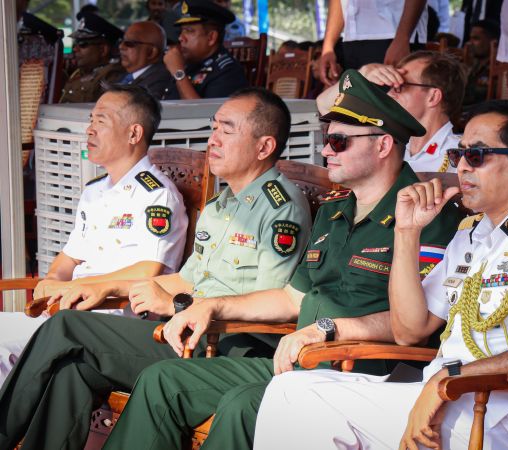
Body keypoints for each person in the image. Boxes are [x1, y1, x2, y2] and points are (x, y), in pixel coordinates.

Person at [101, 69, 462, 450]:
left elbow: (415, 325)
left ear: (384, 145)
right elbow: (293, 297)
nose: (325, 151)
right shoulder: (334, 210)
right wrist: (212, 305)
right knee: (163, 379)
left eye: (338, 141)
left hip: (361, 370)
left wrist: (327, 329)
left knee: (243, 406)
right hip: (299, 360)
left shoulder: (428, 216)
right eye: (327, 140)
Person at [254, 100, 508, 450]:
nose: (462, 167)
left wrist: (449, 378)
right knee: (292, 389)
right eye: (458, 155)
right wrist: (406, 232)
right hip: (449, 396)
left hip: (506, 411)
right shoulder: (473, 233)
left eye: (477, 156)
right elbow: (410, 330)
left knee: (296, 400)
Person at [0, 87, 311, 450]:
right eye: (213, 128)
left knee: (66, 327)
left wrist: (178, 306)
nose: (213, 140)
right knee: (74, 368)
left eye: (227, 130)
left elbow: (269, 303)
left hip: (227, 345)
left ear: (264, 147)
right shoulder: (222, 205)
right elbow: (187, 279)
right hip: (188, 334)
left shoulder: (281, 208)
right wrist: (109, 288)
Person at [0, 84, 188, 386]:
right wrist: (52, 280)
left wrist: (77, 287)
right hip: (70, 309)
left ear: (134, 134)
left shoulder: (156, 196)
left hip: (110, 319)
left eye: (101, 121)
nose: (89, 129)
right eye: (91, 120)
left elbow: (148, 271)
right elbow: (69, 257)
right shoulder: (94, 190)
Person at [318, 51, 467, 173]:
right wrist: (362, 75)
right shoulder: (387, 140)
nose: (389, 93)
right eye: (391, 85)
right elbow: (323, 104)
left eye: (400, 86)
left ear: (433, 97)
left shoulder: (461, 155)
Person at [319, 0, 428, 85]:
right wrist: (328, 47)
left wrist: (402, 38)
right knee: (357, 102)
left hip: (393, 34)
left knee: (393, 103)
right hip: (352, 38)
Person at [163, 0, 248, 100]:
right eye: (181, 31)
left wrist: (178, 72)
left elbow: (200, 110)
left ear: (211, 38)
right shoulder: (190, 64)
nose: (181, 38)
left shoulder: (228, 72)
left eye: (189, 31)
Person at [59, 12, 125, 103]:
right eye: (75, 44)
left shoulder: (111, 75)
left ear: (103, 50)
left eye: (82, 44)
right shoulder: (79, 73)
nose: (75, 49)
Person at [118, 21, 173, 99]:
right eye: (121, 41)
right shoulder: (120, 75)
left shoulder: (159, 80)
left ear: (151, 52)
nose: (121, 46)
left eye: (129, 43)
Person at [463, 19, 500, 107]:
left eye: (476, 38)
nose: (470, 43)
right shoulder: (470, 64)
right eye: (470, 38)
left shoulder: (500, 69)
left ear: (493, 41)